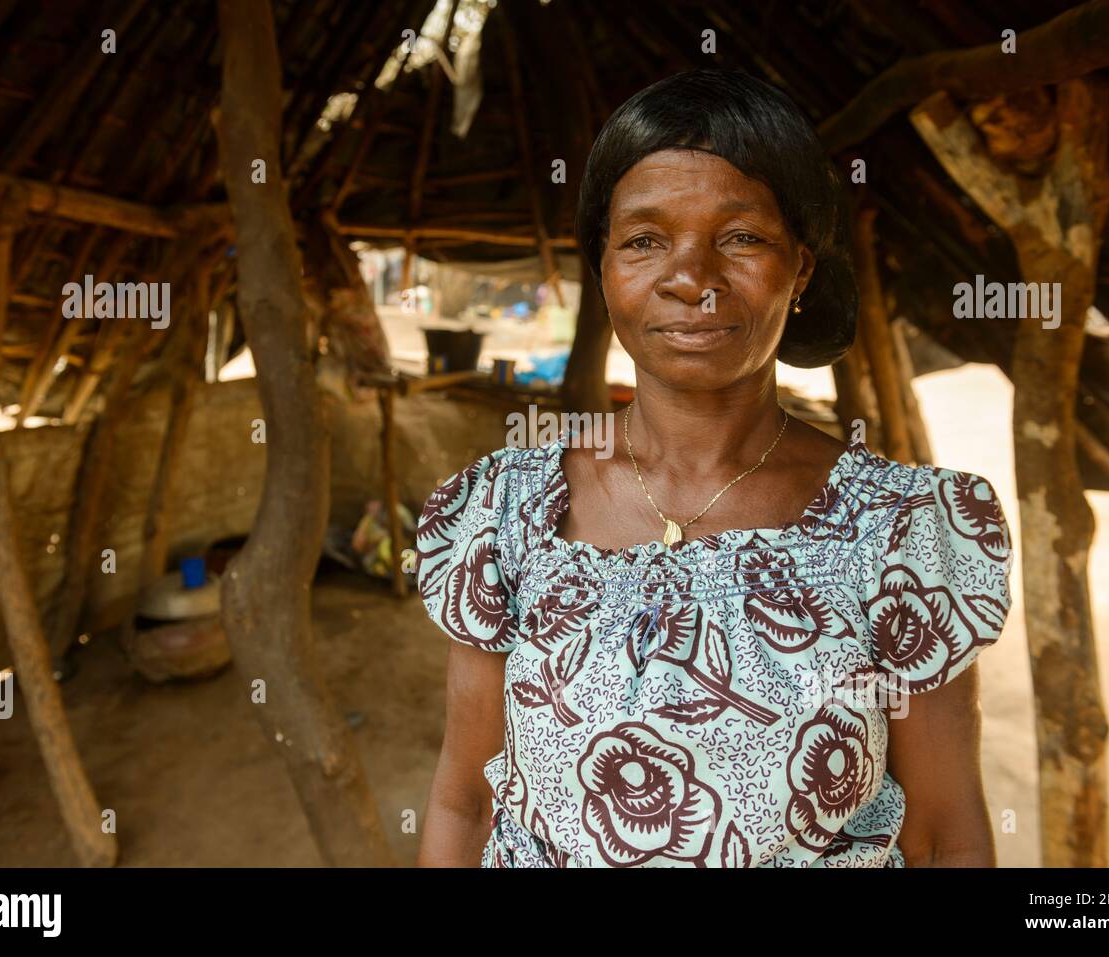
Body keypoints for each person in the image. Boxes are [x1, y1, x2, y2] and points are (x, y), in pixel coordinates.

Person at [414, 69, 1013, 868]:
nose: (692, 278)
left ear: (800, 269)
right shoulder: (506, 512)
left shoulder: (900, 534)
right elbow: (468, 799)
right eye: (644, 240)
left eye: (741, 237)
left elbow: (944, 837)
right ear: (603, 266)